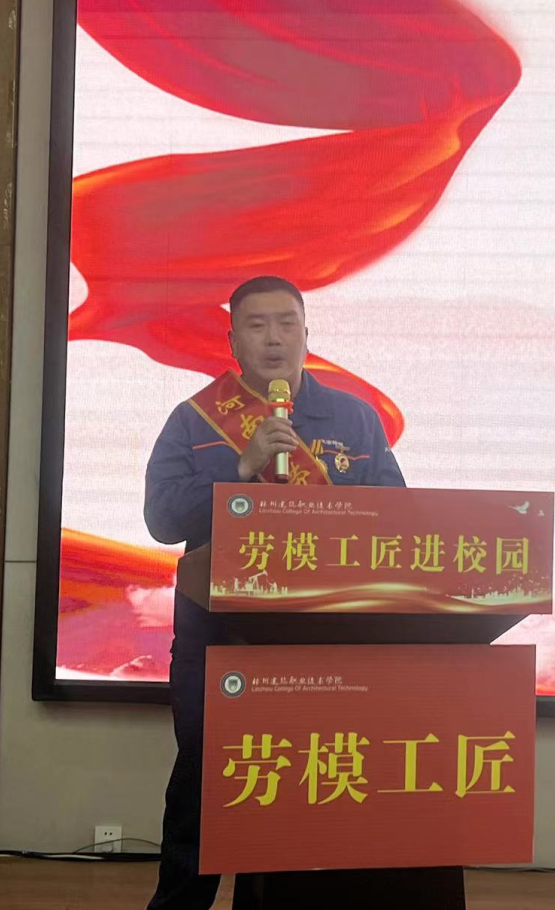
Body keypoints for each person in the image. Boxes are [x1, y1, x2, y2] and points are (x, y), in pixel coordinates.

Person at [144, 275, 405, 909]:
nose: (274, 339)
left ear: (306, 334)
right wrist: (239, 468)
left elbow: (396, 520)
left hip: (322, 639)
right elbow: (162, 519)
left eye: (287, 323)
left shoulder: (354, 419)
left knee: (301, 784)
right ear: (233, 340)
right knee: (204, 784)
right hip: (218, 638)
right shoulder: (194, 420)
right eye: (257, 325)